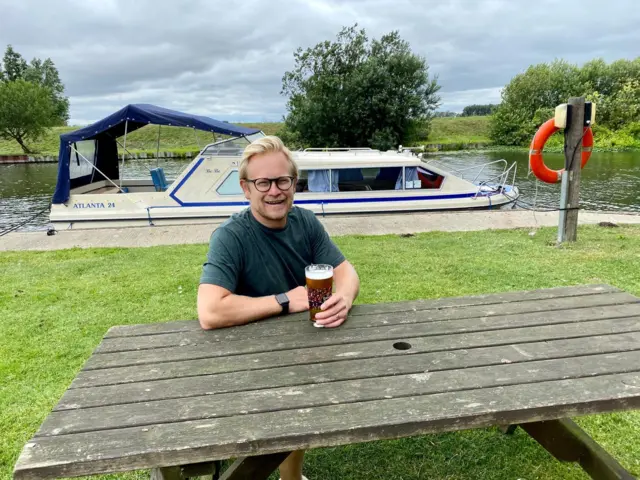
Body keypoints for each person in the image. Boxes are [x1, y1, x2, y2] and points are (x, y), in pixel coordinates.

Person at [197, 135, 360, 480]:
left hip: (300, 346)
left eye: (283, 180)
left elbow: (347, 272)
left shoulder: (306, 222)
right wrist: (287, 300)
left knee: (316, 385)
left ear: (293, 183)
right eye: (263, 182)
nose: (275, 191)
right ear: (245, 188)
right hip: (243, 355)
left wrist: (343, 299)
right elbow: (210, 311)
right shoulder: (231, 236)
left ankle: (290, 475)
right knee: (289, 397)